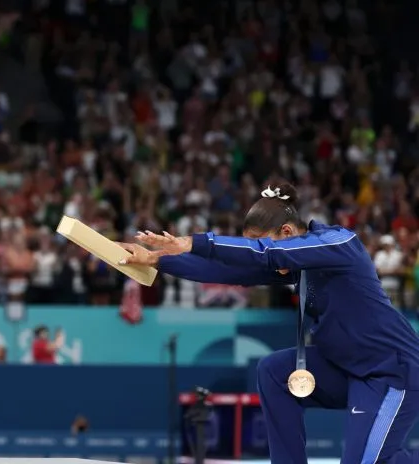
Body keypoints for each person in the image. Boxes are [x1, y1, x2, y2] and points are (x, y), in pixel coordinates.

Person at [118, 182, 419, 464]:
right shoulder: (291, 262)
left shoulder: (339, 242)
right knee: (274, 372)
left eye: (259, 245)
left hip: (391, 371)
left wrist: (192, 242)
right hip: (346, 367)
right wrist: (156, 259)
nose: (257, 257)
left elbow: (265, 254)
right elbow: (226, 271)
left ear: (287, 231)